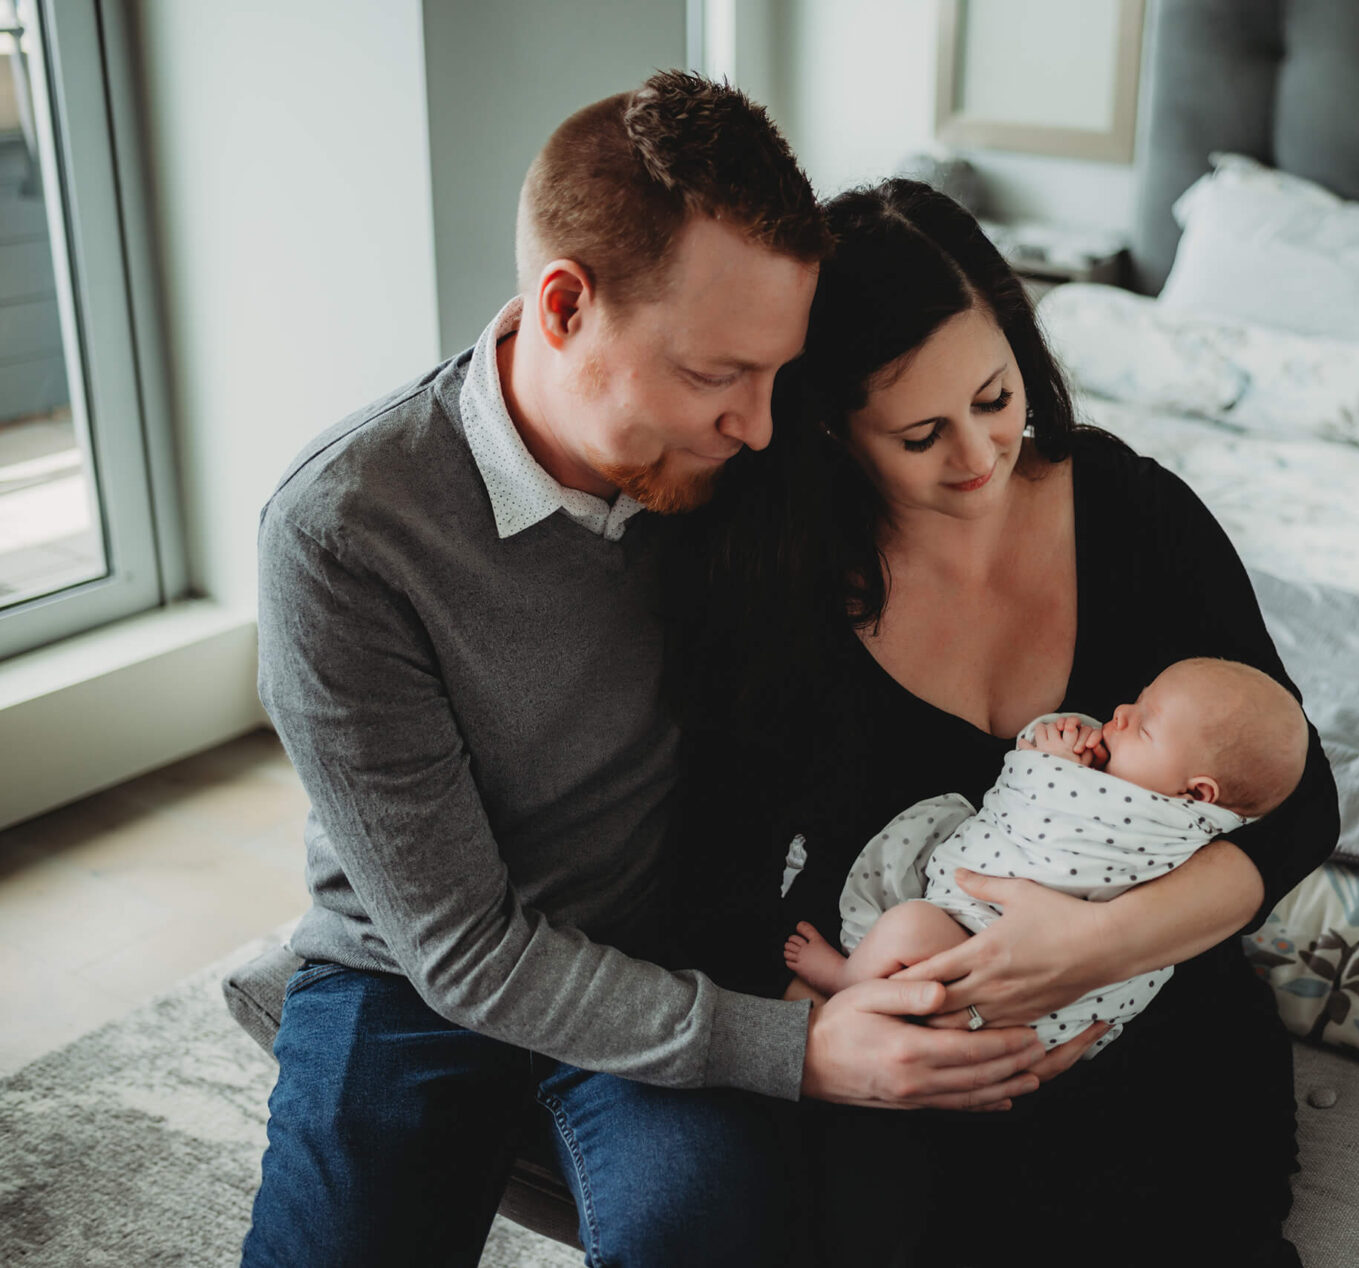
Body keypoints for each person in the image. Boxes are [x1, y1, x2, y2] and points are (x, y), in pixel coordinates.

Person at [242, 79, 1056, 1268]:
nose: (760, 426)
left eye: (776, 375)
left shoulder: (736, 474)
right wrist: (803, 1051)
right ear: (564, 306)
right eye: (716, 373)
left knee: (711, 1235)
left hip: (665, 946)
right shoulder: (344, 532)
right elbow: (463, 948)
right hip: (411, 980)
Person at [678, 179, 1340, 1266]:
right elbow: (717, 869)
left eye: (995, 396)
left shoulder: (1131, 510)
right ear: (835, 429)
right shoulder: (783, 582)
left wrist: (1095, 943)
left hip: (1144, 996)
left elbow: (1302, 798)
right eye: (920, 432)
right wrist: (831, 1031)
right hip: (909, 1030)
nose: (978, 454)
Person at [783, 658, 1310, 1060]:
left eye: (1144, 726)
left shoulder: (1155, 827)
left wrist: (1051, 763)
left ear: (1197, 795)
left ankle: (849, 982)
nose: (1121, 715)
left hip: (994, 960)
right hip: (1001, 959)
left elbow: (1045, 813)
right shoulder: (1152, 792)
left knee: (909, 926)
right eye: (1137, 701)